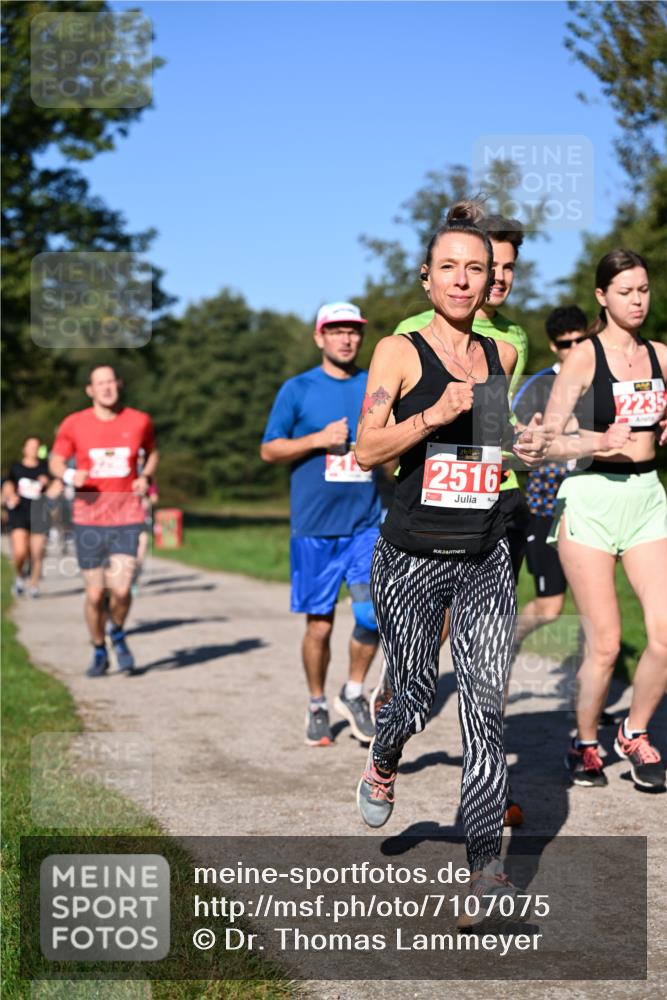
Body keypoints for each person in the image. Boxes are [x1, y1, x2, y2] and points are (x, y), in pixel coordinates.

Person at [354, 203, 548, 920]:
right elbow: (366, 449)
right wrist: (434, 414)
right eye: (449, 268)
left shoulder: (499, 356)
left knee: (484, 709)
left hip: (485, 551)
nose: (463, 280)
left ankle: (485, 871)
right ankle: (384, 755)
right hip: (411, 556)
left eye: (475, 268)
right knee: (409, 697)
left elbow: (489, 446)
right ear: (427, 279)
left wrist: (522, 446)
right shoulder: (400, 351)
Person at [543, 249, 667, 791]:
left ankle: (633, 733)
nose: (637, 301)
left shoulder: (661, 355)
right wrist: (598, 440)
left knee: (665, 634)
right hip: (590, 498)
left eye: (643, 290)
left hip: (646, 498)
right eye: (625, 292)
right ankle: (585, 741)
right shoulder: (583, 358)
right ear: (602, 296)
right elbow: (546, 442)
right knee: (607, 644)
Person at [260, 302, 382, 748]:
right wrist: (317, 439)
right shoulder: (298, 389)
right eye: (336, 331)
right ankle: (316, 703)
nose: (346, 339)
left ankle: (353, 691)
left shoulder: (375, 385)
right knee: (320, 626)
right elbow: (269, 450)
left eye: (353, 331)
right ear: (319, 337)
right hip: (314, 529)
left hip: (366, 524)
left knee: (372, 615)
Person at [395, 214, 531, 581]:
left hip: (500, 489)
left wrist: (525, 439)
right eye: (492, 266)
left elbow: (499, 417)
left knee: (491, 613)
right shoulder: (411, 332)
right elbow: (386, 429)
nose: (500, 277)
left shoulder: (515, 338)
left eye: (508, 268)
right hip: (430, 495)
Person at [50, 365, 159, 677]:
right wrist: (70, 475)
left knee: (122, 591)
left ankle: (118, 632)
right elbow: (56, 461)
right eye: (100, 383)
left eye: (111, 381)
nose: (107, 388)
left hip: (127, 515)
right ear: (90, 390)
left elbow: (152, 452)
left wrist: (145, 476)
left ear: (119, 385)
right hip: (89, 517)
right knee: (95, 594)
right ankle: (99, 648)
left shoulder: (139, 420)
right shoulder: (75, 423)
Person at [512, 305, 589, 647]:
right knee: (550, 606)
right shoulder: (539, 384)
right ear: (553, 345)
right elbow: (513, 436)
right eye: (565, 343)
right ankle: (506, 645)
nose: (573, 349)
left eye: (579, 341)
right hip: (546, 505)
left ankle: (593, 668)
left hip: (590, 503)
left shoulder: (602, 378)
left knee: (594, 605)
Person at [2, 435, 53, 597]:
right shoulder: (16, 467)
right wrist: (11, 495)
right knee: (20, 552)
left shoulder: (45, 468)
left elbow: (55, 487)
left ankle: (34, 585)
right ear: (24, 449)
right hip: (19, 512)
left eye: (36, 447)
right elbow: (8, 484)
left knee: (37, 552)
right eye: (30, 446)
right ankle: (19, 577)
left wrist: (47, 483)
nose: (33, 449)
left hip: (39, 512)